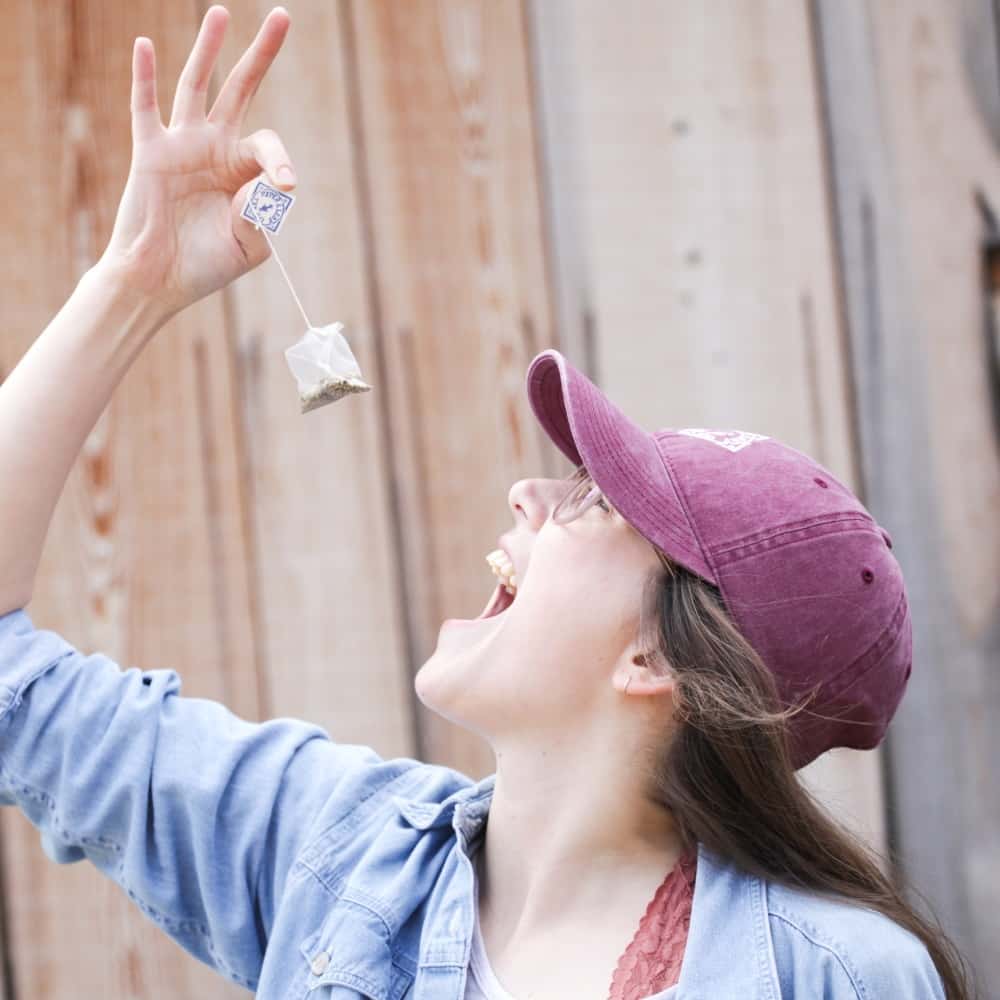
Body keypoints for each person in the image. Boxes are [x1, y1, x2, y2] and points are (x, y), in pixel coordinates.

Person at [0, 5, 978, 1000]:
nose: (526, 491)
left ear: (655, 658)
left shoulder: (835, 973)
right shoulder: (328, 852)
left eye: (595, 502)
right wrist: (133, 284)